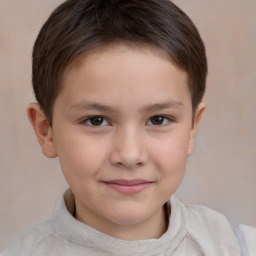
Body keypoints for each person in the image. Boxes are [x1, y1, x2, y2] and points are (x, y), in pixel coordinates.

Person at [2, 0, 256, 255]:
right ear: (47, 130)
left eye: (158, 120)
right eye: (96, 120)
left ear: (192, 127)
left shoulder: (237, 247)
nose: (130, 155)